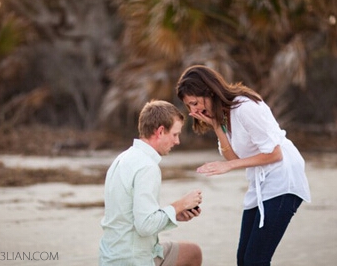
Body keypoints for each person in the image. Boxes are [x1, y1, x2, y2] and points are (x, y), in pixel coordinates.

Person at [176, 65, 311, 266]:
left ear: (209, 91)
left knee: (255, 260)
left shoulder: (244, 107)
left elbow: (275, 154)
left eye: (194, 102)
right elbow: (234, 156)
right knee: (243, 260)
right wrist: (216, 125)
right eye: (189, 106)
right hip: (261, 184)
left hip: (284, 180)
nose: (193, 111)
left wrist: (228, 167)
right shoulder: (224, 116)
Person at [99, 100, 203, 266]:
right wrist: (179, 204)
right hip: (134, 259)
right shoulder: (147, 167)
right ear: (160, 131)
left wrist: (173, 215)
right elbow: (145, 226)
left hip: (111, 257)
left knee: (191, 253)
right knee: (193, 253)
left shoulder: (122, 158)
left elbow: (133, 218)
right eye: (175, 134)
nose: (177, 141)